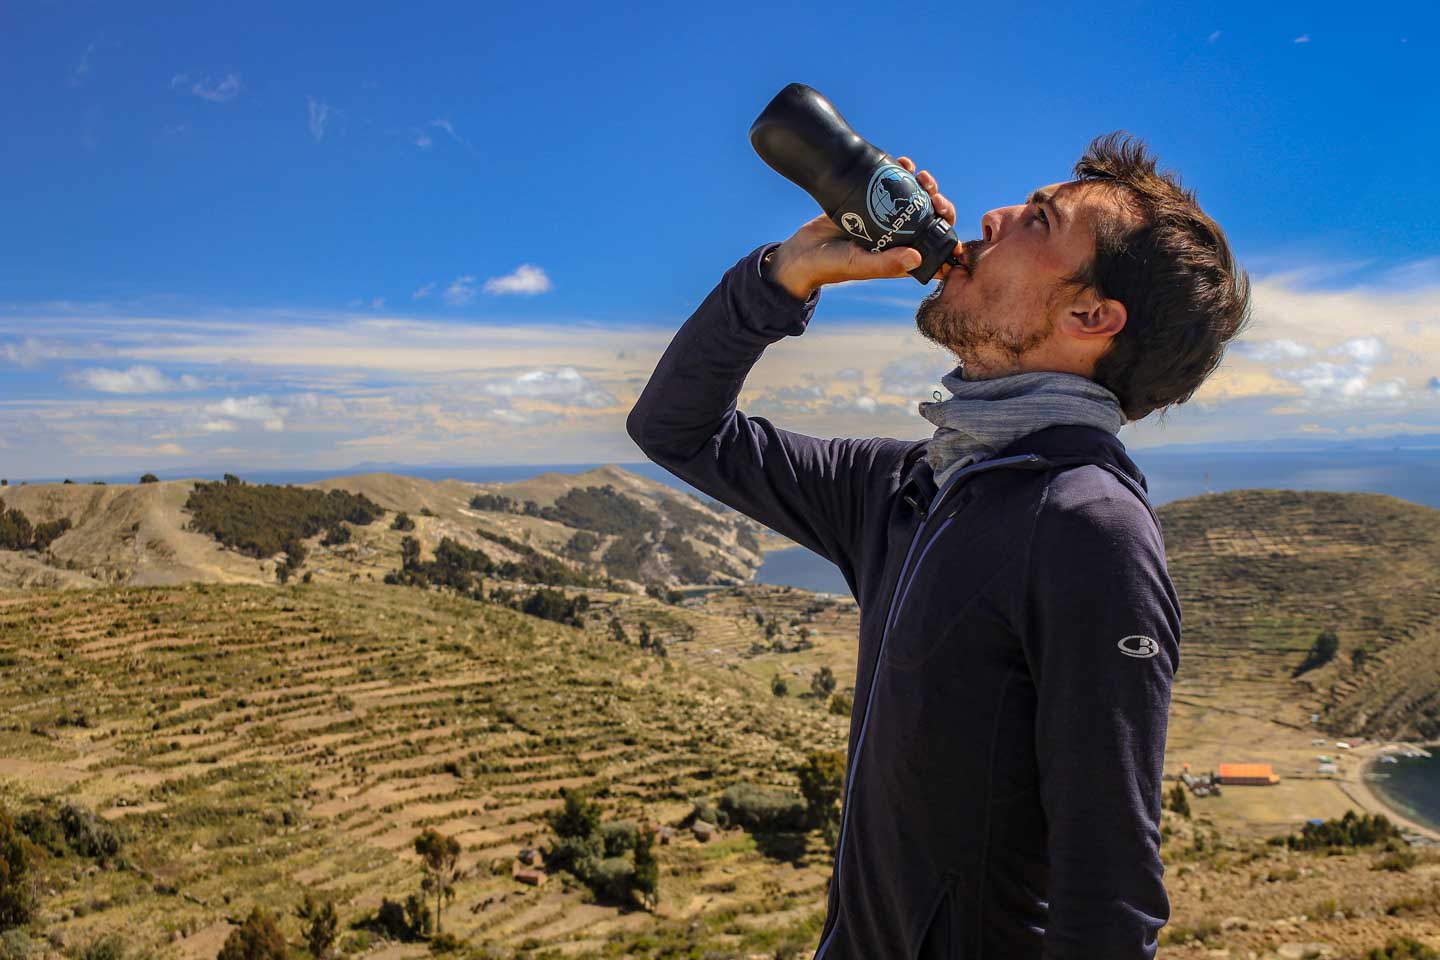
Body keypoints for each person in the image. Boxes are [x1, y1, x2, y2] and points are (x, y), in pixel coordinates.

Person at [627, 132, 1250, 959]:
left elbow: (1111, 891)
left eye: (1037, 219)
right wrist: (786, 275)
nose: (991, 216)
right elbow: (675, 429)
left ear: (1089, 316)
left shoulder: (1090, 526)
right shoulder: (909, 487)